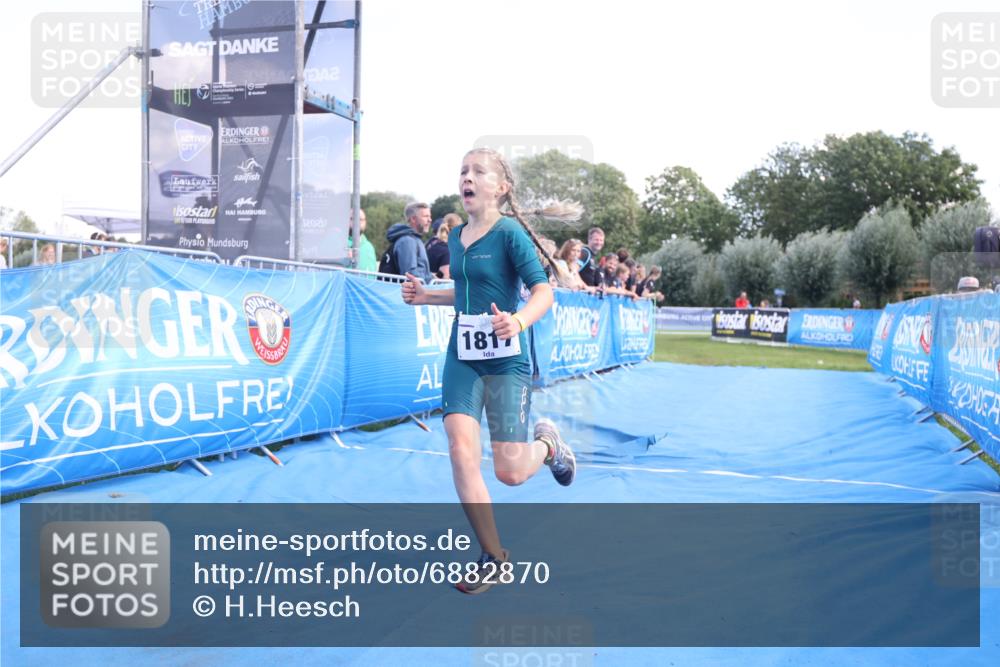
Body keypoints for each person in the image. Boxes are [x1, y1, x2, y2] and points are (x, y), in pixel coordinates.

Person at [401, 148, 579, 595]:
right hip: (463, 357)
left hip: (504, 360)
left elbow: (543, 293)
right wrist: (427, 295)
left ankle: (548, 444)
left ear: (500, 188)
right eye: (462, 170)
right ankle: (493, 557)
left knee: (511, 472)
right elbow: (464, 292)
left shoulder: (510, 234)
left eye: (478, 171)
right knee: (461, 449)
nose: (467, 177)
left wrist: (516, 321)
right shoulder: (458, 236)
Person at [383, 202, 433, 282]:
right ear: (413, 219)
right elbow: (409, 275)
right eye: (425, 216)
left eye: (430, 216)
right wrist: (430, 281)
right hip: (404, 293)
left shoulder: (414, 239)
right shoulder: (407, 241)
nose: (430, 220)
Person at [426, 213, 462, 279]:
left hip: (426, 285)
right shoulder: (447, 250)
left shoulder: (430, 242)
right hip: (436, 288)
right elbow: (445, 279)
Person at [347, 208, 377, 273]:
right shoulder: (339, 242)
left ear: (365, 222)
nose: (357, 222)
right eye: (353, 218)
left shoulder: (369, 246)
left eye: (360, 219)